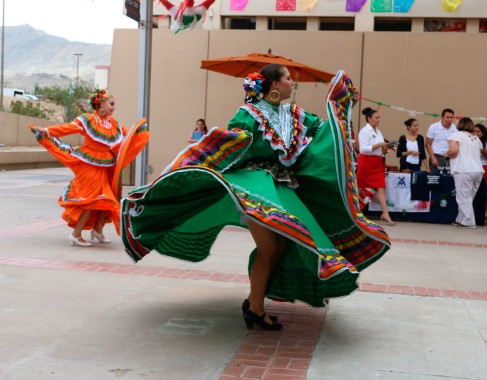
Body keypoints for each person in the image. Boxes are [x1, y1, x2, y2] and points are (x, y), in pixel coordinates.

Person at [120, 64, 390, 330]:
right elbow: (236, 141)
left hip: (284, 187)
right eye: (287, 78)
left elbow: (323, 133)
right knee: (270, 248)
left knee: (284, 246)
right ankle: (256, 310)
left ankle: (254, 301)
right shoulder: (248, 113)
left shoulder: (294, 114)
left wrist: (342, 106)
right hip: (256, 187)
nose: (291, 82)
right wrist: (221, 146)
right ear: (274, 85)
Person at [29, 89, 149, 246]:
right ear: (101, 104)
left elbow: (127, 137)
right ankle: (76, 235)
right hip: (89, 164)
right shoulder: (88, 119)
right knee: (91, 199)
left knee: (108, 198)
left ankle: (97, 230)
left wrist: (139, 132)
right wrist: (47, 131)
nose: (114, 108)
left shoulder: (113, 124)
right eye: (112, 104)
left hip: (105, 165)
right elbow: (68, 128)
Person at [357, 107, 395, 225]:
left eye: (379, 117)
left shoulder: (378, 131)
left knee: (381, 187)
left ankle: (386, 214)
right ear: (369, 119)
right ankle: (354, 211)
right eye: (376, 118)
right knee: (359, 187)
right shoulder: (364, 131)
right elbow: (363, 149)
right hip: (366, 162)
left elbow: (379, 148)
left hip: (377, 162)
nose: (379, 120)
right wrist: (379, 144)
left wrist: (386, 148)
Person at [446, 117, 484, 229]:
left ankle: (469, 222)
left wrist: (445, 155)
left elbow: (453, 151)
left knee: (463, 198)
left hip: (463, 170)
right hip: (478, 170)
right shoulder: (476, 138)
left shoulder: (456, 135)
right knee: (468, 198)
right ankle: (461, 219)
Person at [426, 108, 457, 174]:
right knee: (436, 180)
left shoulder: (455, 128)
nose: (449, 119)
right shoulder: (433, 127)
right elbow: (428, 143)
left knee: (450, 180)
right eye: (447, 117)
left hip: (450, 158)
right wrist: (432, 157)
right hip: (437, 157)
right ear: (442, 117)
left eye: (451, 117)